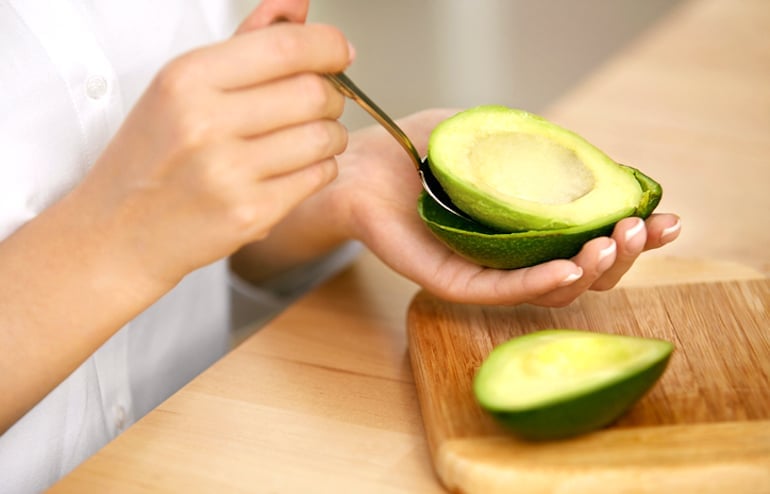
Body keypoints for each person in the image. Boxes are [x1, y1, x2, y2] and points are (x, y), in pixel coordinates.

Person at [0, 0, 681, 491]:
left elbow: (189, 227)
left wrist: (320, 192)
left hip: (218, 442)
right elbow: (135, 225)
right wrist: (116, 241)